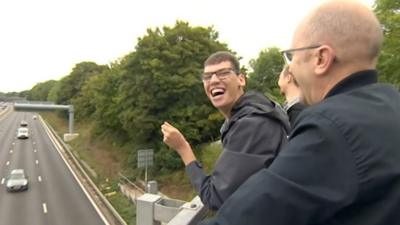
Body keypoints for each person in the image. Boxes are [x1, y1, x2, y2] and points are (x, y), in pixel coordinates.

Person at [200, 1, 400, 224]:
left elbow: (246, 216)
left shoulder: (330, 130)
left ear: (321, 59)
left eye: (291, 56)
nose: (291, 69)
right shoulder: (391, 106)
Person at [161, 51, 290, 210]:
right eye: (207, 77)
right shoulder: (257, 111)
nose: (214, 80)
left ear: (241, 79)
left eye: (223, 73)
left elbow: (214, 197)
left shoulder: (252, 124)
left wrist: (182, 148)